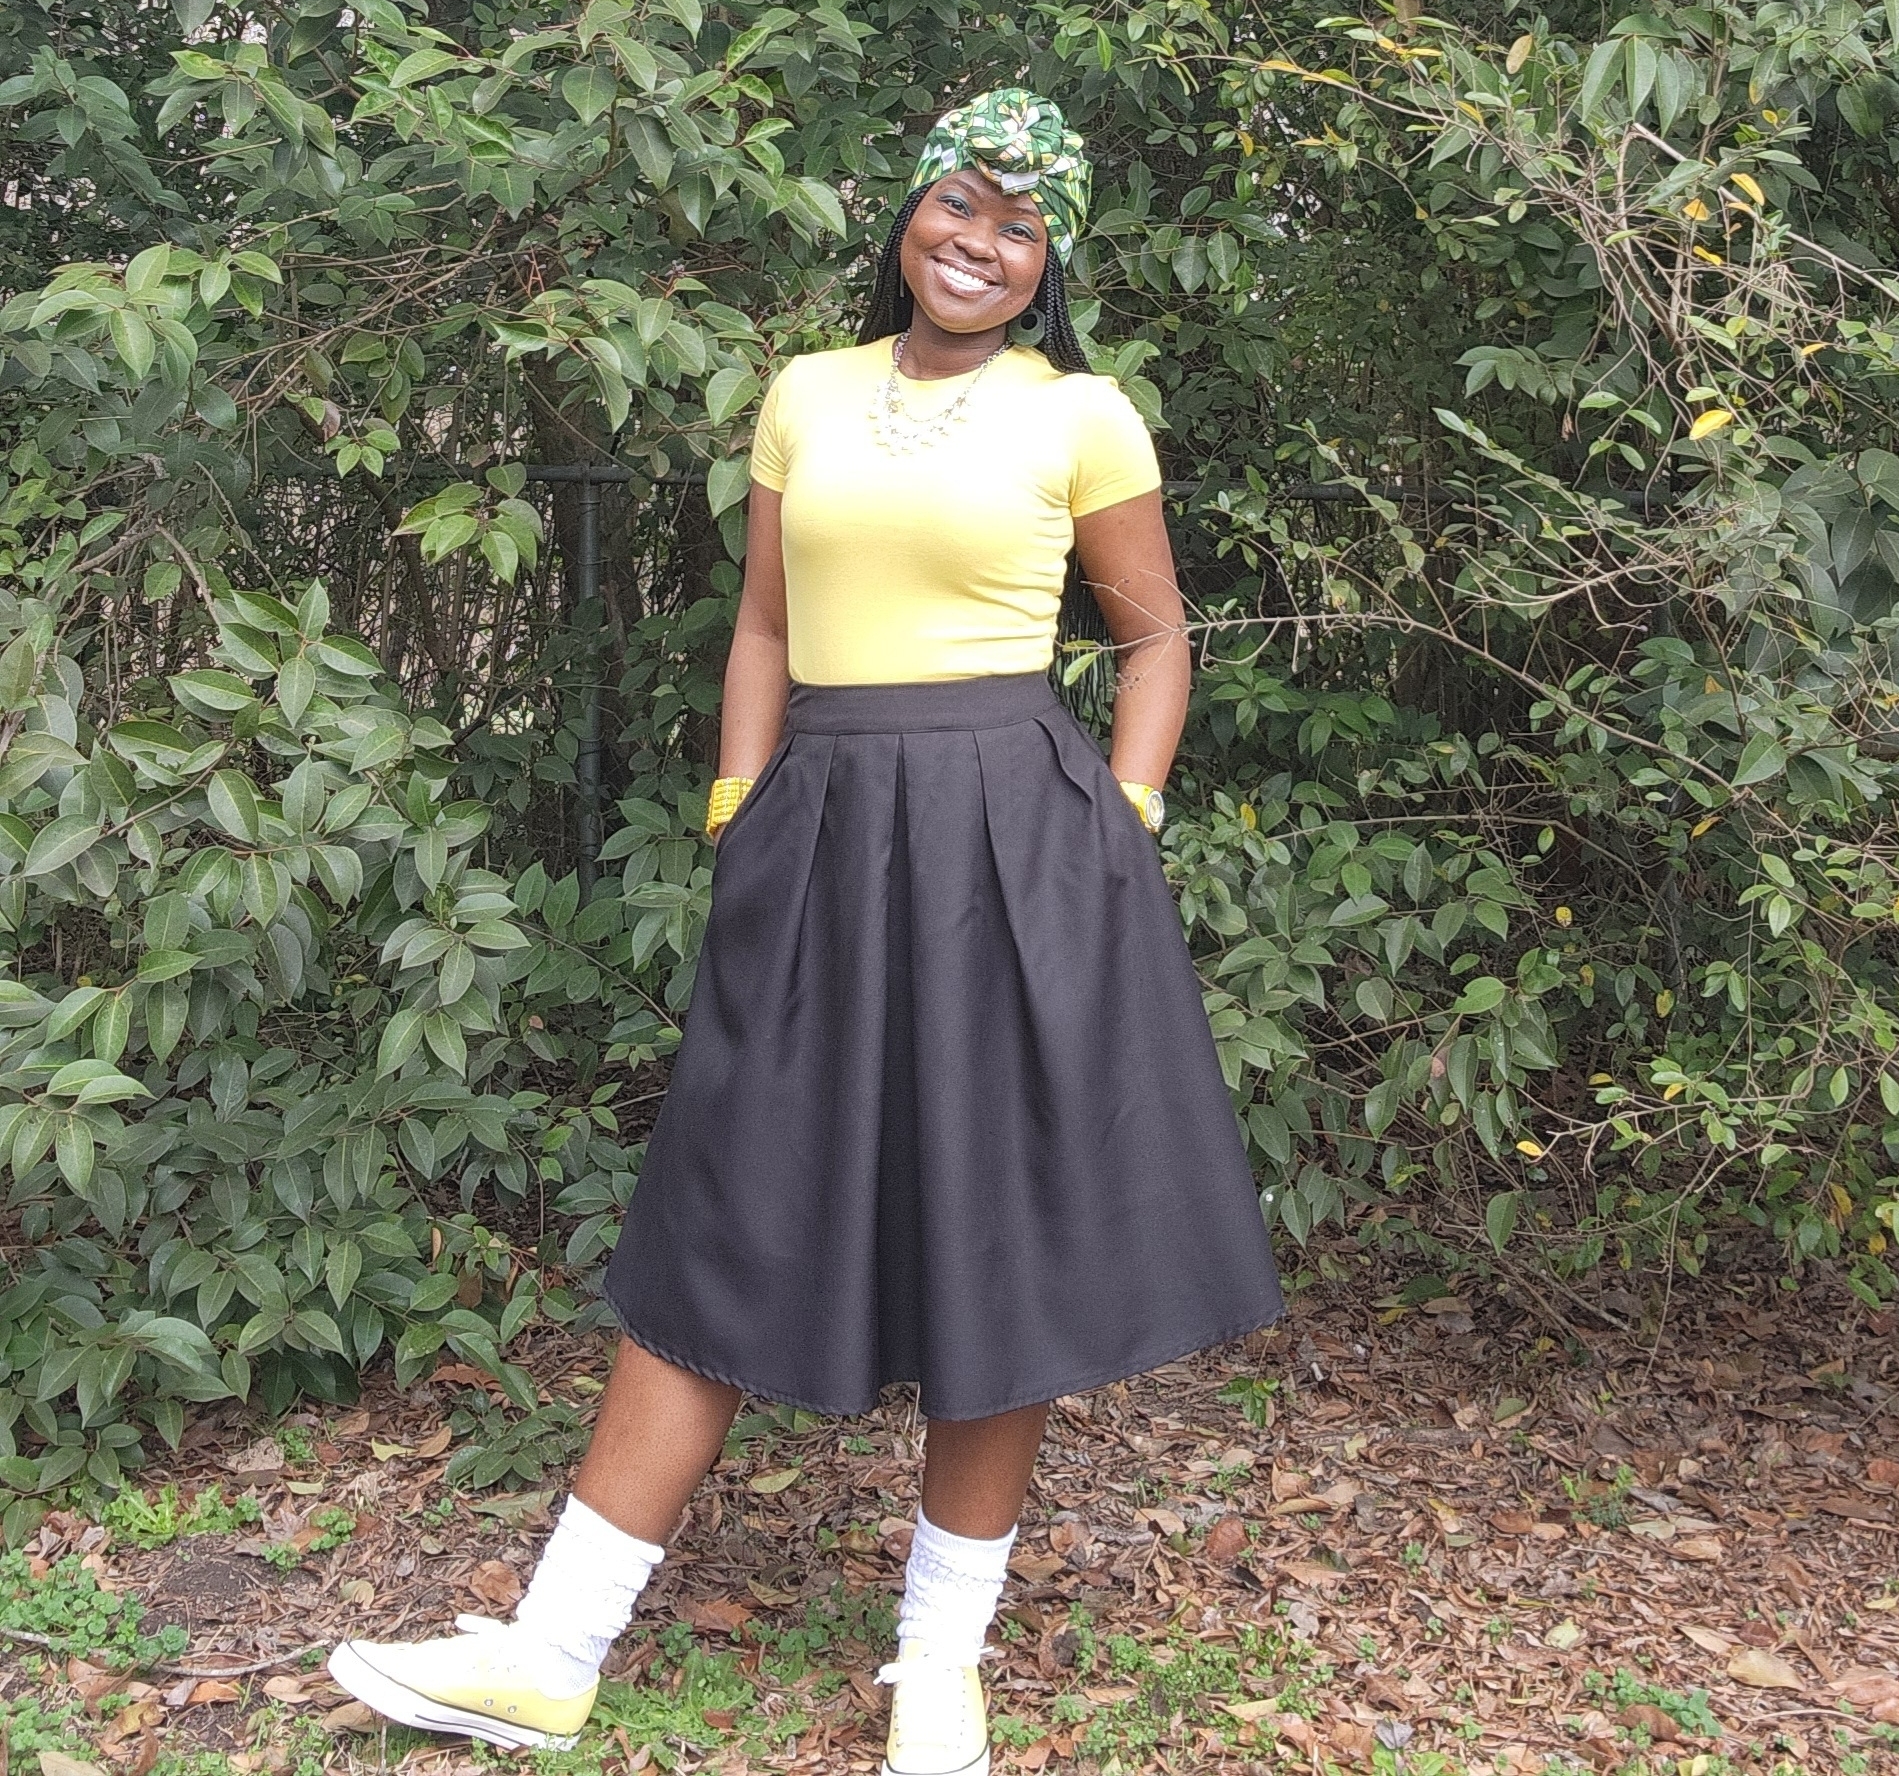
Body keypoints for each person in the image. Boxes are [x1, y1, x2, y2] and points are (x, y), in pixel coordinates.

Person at [327, 88, 1282, 1776]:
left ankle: (940, 1665)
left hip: (1018, 846)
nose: (979, 244)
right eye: (959, 204)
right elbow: (765, 626)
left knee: (995, 1232)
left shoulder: (1083, 416)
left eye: (1021, 226)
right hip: (822, 827)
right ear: (909, 212)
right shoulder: (806, 394)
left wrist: (1119, 824)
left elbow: (1155, 643)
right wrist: (739, 809)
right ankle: (553, 1652)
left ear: (1051, 261)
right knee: (723, 1201)